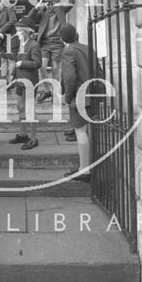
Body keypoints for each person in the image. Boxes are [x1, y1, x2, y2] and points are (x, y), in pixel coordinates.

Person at [59, 23, 93, 182]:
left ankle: (84, 170)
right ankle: (89, 165)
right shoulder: (88, 48)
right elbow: (98, 71)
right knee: (87, 131)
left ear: (61, 39)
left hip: (79, 96)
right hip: (92, 94)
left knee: (80, 131)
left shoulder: (68, 51)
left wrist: (67, 97)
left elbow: (69, 77)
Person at [28, 0, 74, 103]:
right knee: (41, 68)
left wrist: (58, 3)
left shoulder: (61, 10)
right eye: (47, 3)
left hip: (57, 43)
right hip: (44, 44)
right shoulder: (42, 11)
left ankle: (56, 94)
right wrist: (37, 7)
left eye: (51, 2)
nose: (49, 5)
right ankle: (47, 90)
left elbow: (72, 1)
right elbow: (29, 19)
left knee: (56, 70)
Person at [9, 16, 42, 150]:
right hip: (19, 81)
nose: (17, 33)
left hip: (29, 81)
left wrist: (22, 63)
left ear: (27, 31)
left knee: (29, 110)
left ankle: (34, 138)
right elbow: (16, 61)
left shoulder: (34, 45)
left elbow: (37, 63)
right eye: (17, 31)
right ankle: (23, 134)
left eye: (19, 31)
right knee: (19, 107)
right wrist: (12, 75)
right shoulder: (21, 44)